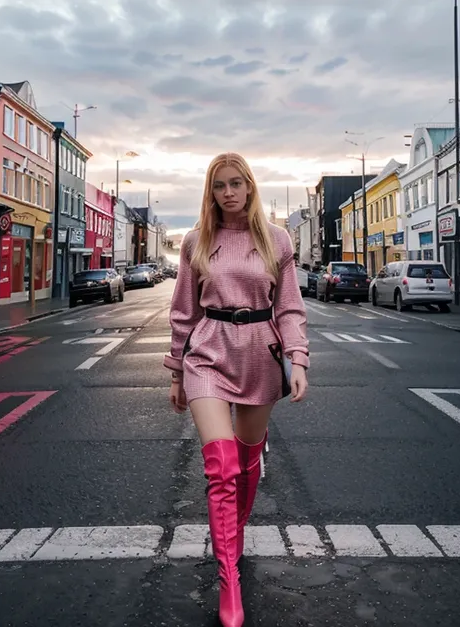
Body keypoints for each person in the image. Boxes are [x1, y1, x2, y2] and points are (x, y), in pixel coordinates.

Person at [164, 152, 309, 627]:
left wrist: (298, 360)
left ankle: (235, 531)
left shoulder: (277, 240)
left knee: (247, 463)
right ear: (211, 192)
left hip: (259, 357)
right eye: (219, 186)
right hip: (207, 352)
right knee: (221, 466)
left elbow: (288, 309)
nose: (228, 192)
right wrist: (175, 371)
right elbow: (184, 312)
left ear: (249, 187)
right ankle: (229, 578)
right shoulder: (195, 241)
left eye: (236, 184)